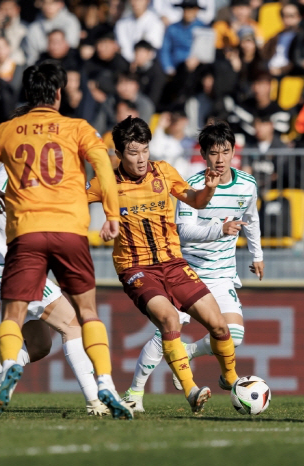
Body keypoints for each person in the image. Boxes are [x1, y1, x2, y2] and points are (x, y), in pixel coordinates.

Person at [0, 60, 130, 419]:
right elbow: (105, 167)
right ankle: (104, 385)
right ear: (58, 92)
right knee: (86, 314)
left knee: (13, 315)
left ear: (27, 93)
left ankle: (8, 369)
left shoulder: (7, 130)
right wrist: (112, 215)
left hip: (26, 233)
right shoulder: (77, 127)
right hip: (69, 230)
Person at [86, 116, 240, 413]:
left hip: (172, 262)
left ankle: (232, 381)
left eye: (145, 150)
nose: (142, 158)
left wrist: (208, 189)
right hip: (136, 268)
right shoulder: (106, 182)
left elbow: (196, 201)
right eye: (133, 152)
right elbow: (72, 200)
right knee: (169, 320)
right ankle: (191, 390)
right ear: (118, 154)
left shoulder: (164, 172)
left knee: (220, 326)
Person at [0, 165, 113, 417]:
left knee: (39, 346)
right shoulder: (10, 171)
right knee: (73, 326)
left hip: (16, 271)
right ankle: (95, 400)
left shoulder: (38, 169)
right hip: (16, 269)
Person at [122, 121, 262, 412]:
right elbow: (183, 230)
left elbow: (252, 219)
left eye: (226, 152)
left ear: (234, 152)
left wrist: (257, 254)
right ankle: (135, 391)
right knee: (165, 332)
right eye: (213, 153)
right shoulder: (191, 185)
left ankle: (191, 354)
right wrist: (218, 229)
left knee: (233, 335)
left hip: (222, 274)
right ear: (203, 154)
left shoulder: (247, 184)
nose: (220, 159)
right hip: (188, 270)